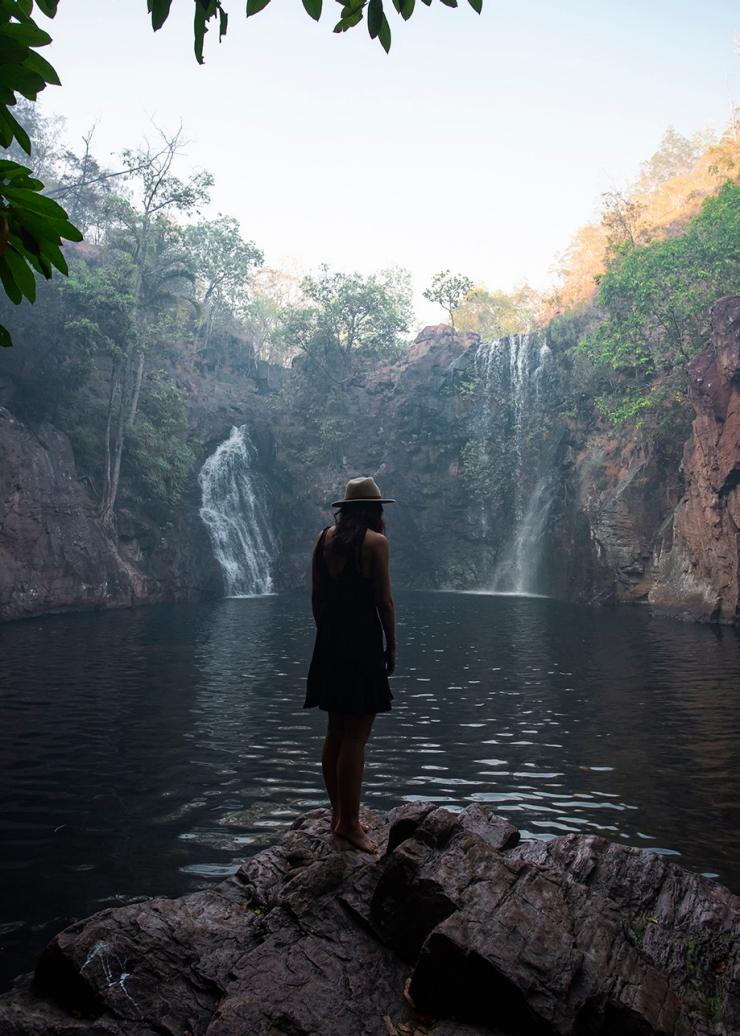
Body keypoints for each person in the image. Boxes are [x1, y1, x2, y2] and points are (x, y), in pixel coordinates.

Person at [304, 476, 396, 853]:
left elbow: (316, 595)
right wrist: (391, 647)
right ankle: (350, 825)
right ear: (373, 510)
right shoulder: (376, 543)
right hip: (362, 643)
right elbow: (384, 601)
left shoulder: (323, 538)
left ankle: (337, 814)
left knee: (335, 733)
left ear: (344, 511)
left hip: (329, 642)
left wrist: (327, 635)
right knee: (356, 737)